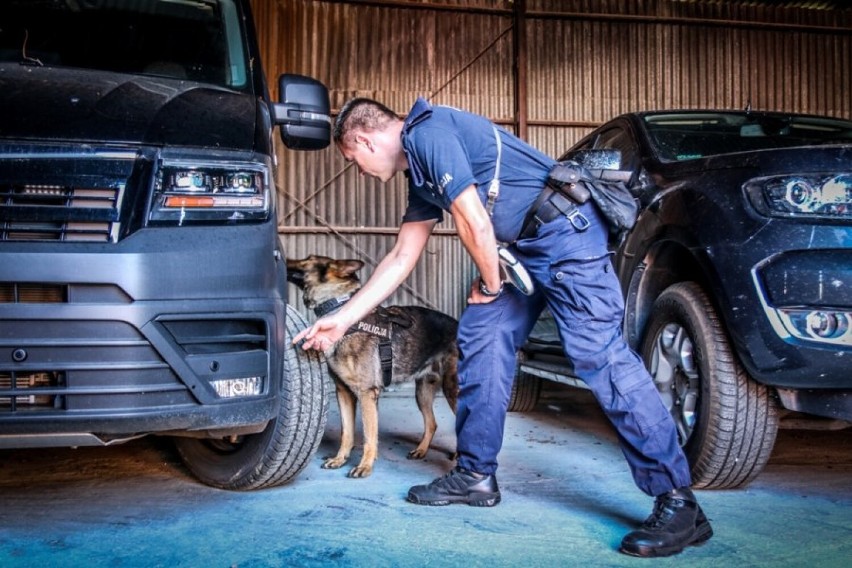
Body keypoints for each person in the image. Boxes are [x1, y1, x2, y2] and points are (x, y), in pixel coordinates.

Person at [293, 97, 713, 557]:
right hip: (521, 251)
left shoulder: (428, 134)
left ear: (364, 139)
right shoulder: (420, 172)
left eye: (353, 161)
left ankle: (678, 502)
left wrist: (492, 284)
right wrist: (341, 319)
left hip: (565, 235)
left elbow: (474, 221)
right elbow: (400, 257)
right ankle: (475, 475)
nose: (359, 171)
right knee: (480, 338)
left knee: (600, 357)